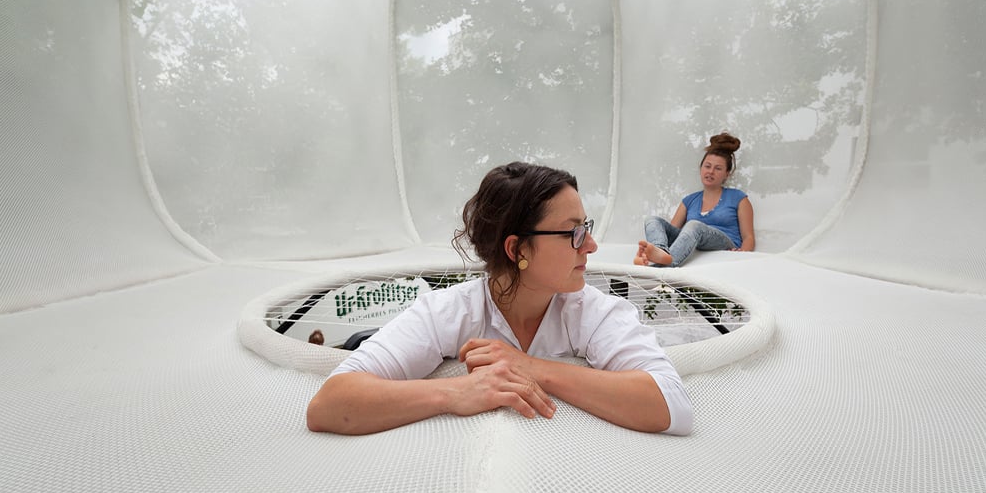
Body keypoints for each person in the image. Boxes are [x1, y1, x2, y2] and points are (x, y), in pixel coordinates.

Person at [307, 162, 693, 436]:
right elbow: (330, 404)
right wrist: (455, 391)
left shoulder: (591, 311)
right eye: (573, 232)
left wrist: (532, 367)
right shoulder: (450, 312)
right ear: (517, 249)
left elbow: (671, 404)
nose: (591, 245)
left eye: (586, 228)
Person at [635, 132, 755, 267]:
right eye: (707, 166)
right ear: (701, 168)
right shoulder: (689, 200)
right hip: (693, 244)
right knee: (652, 220)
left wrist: (741, 255)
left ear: (727, 174)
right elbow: (672, 232)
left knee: (694, 225)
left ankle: (661, 264)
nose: (710, 172)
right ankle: (660, 252)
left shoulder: (738, 198)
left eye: (718, 168)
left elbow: (748, 237)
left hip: (725, 244)